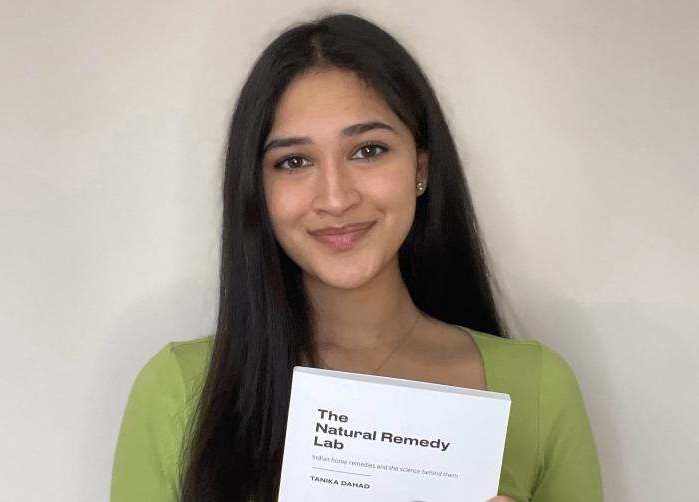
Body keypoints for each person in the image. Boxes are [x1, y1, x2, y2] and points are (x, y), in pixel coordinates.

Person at [110, 13, 603, 502]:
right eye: (294, 161)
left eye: (368, 150)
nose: (336, 197)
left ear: (421, 168)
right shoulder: (178, 390)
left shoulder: (538, 388)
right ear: (258, 189)